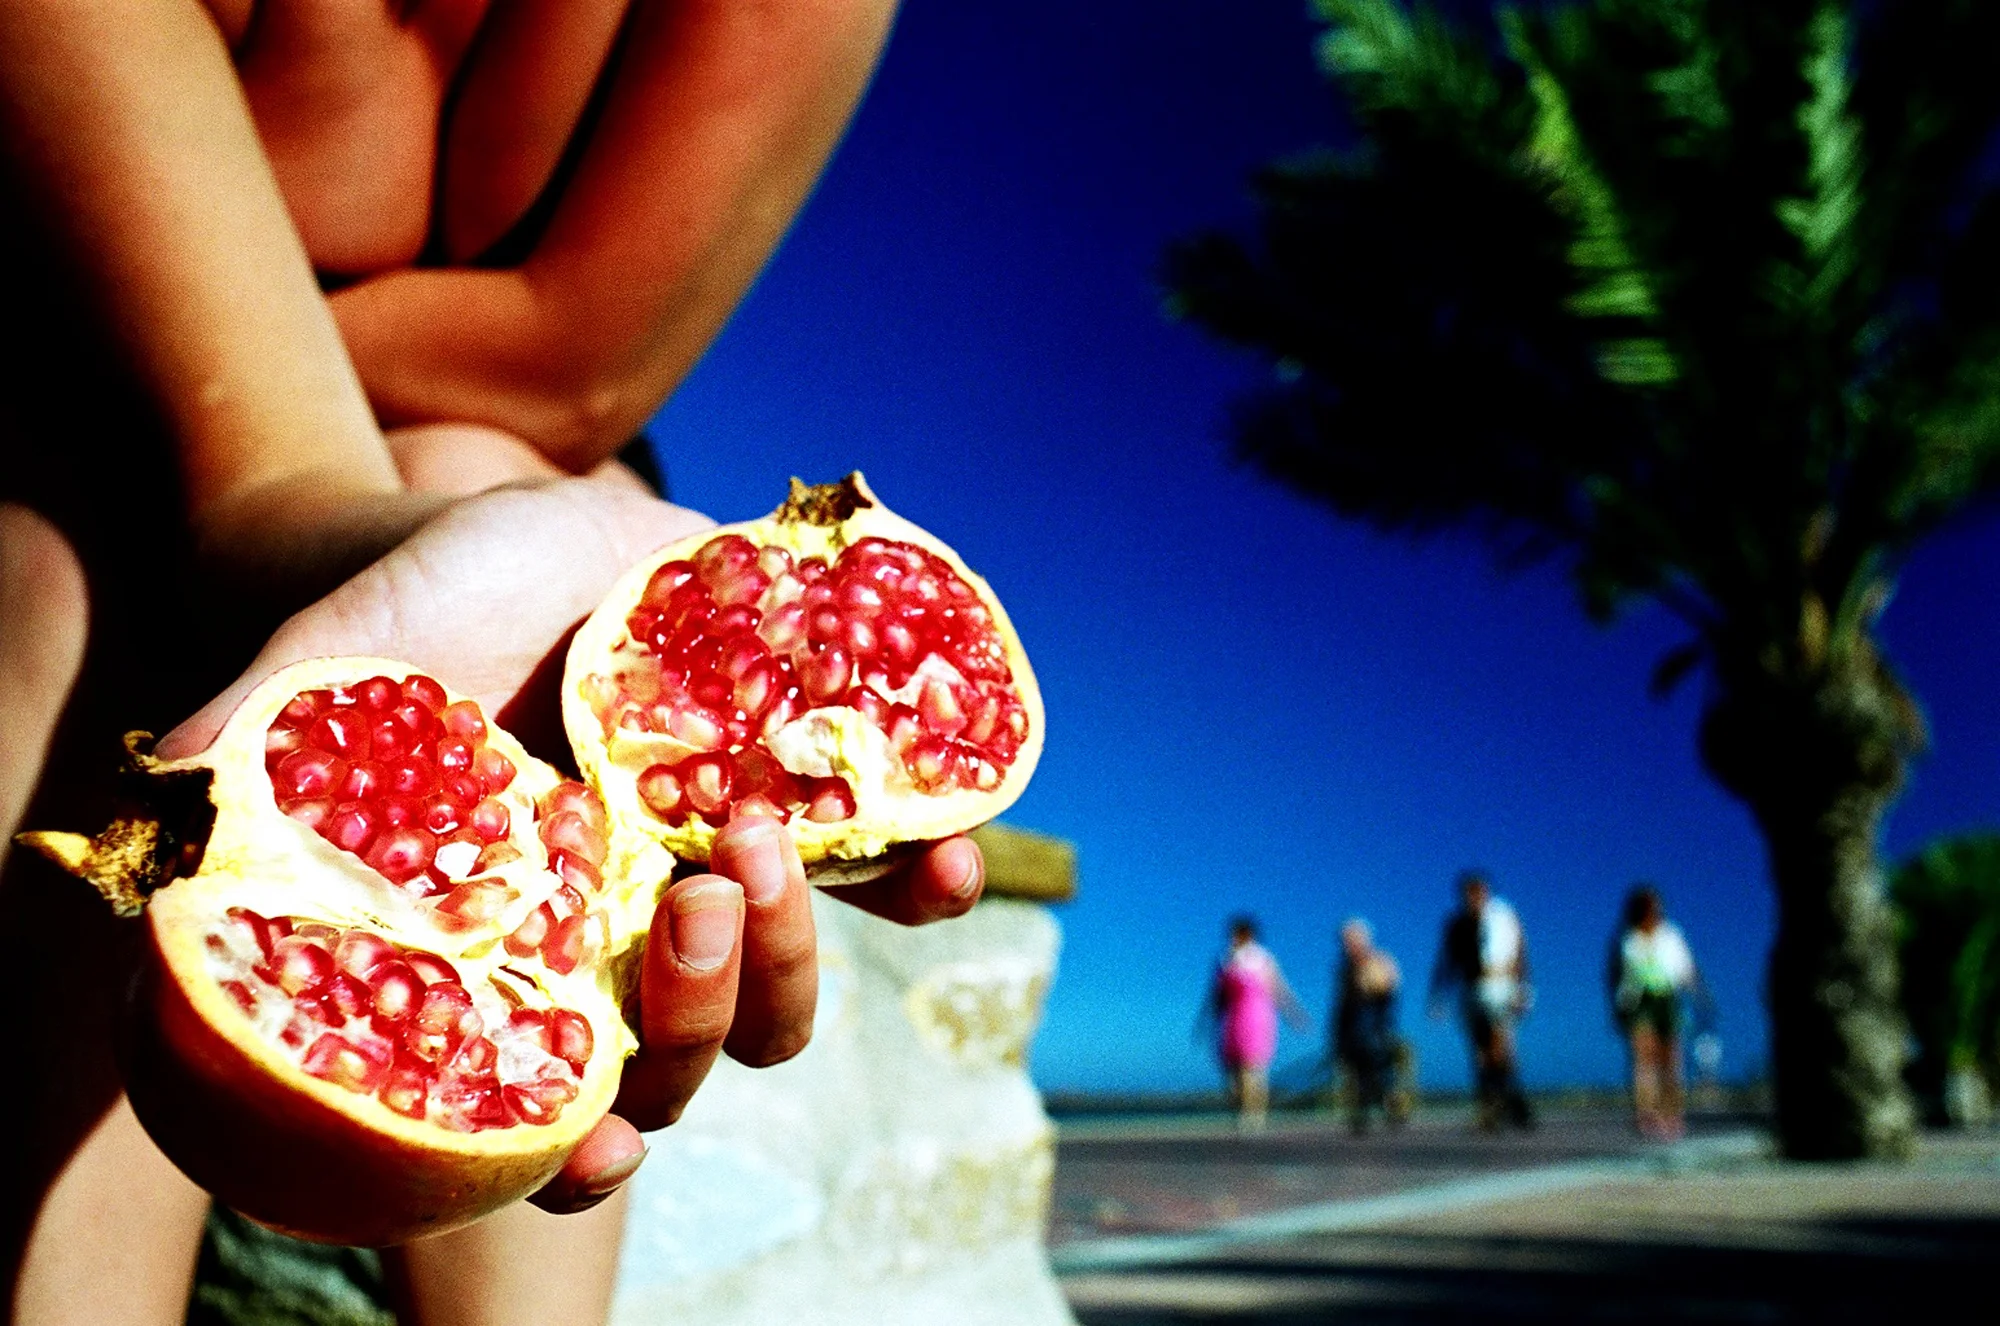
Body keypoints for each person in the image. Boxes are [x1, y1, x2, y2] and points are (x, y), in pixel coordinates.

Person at [0, 4, 971, 1323]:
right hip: (84, 412)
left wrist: (232, 332)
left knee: (515, 512)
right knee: (66, 568)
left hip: (471, 443)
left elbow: (573, 368)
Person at [1428, 871, 1534, 1131]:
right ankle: (1490, 1105)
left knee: (1501, 1047)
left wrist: (1523, 987)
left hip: (1500, 988)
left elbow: (1521, 954)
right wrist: (1438, 995)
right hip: (1471, 991)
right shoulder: (1456, 925)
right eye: (1469, 893)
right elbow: (1446, 962)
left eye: (1478, 892)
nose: (1474, 898)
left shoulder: (1503, 918)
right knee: (1479, 1052)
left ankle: (1513, 1099)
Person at [1607, 884, 1707, 1140]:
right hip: (1638, 1000)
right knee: (1643, 1059)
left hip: (1668, 998)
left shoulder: (1671, 935)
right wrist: (1617, 1008)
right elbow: (1615, 975)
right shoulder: (1626, 939)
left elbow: (1685, 968)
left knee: (1671, 1058)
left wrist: (1698, 994)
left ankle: (1672, 1112)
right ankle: (1647, 1114)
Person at [1206, 915, 1307, 1130]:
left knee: (1253, 1069)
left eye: (1238, 933)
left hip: (1257, 1019)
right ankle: (1241, 1111)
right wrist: (1209, 1021)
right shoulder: (1225, 960)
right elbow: (1216, 996)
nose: (1233, 937)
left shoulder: (1263, 959)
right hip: (1232, 1020)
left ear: (1248, 935)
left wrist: (1295, 1015)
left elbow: (1280, 990)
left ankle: (1254, 1116)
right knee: (1232, 1072)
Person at [1332, 918, 1404, 1134]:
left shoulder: (1380, 960)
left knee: (1379, 1064)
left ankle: (1389, 1102)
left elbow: (1389, 988)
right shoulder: (1344, 969)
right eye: (1345, 941)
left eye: (1351, 940)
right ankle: (1362, 1110)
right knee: (1357, 1068)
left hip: (1375, 1024)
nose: (1347, 946)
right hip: (1352, 1025)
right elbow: (1341, 1003)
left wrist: (1370, 982)